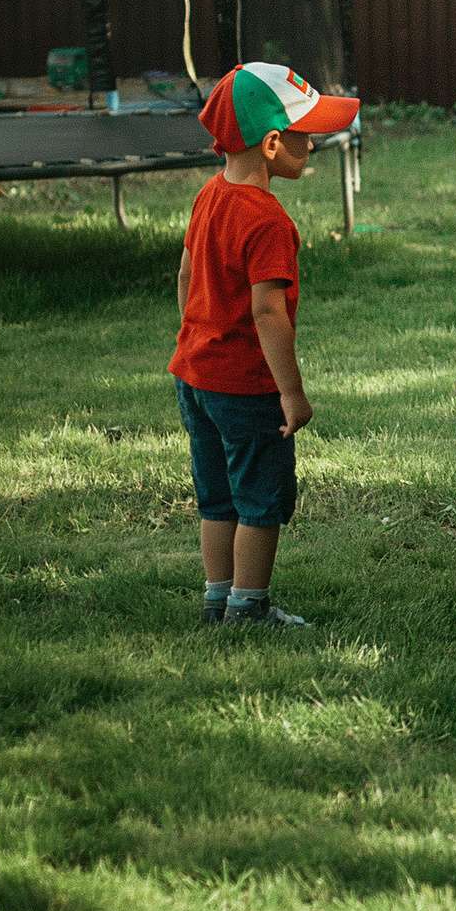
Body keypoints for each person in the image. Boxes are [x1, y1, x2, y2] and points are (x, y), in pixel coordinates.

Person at [172, 62, 359, 629]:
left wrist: (199, 332)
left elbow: (184, 274)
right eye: (308, 132)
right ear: (273, 143)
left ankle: (217, 597)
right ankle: (248, 608)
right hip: (245, 387)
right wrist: (292, 394)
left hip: (195, 375)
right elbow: (268, 311)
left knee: (217, 496)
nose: (316, 141)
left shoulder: (210, 195)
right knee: (260, 499)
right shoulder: (268, 220)